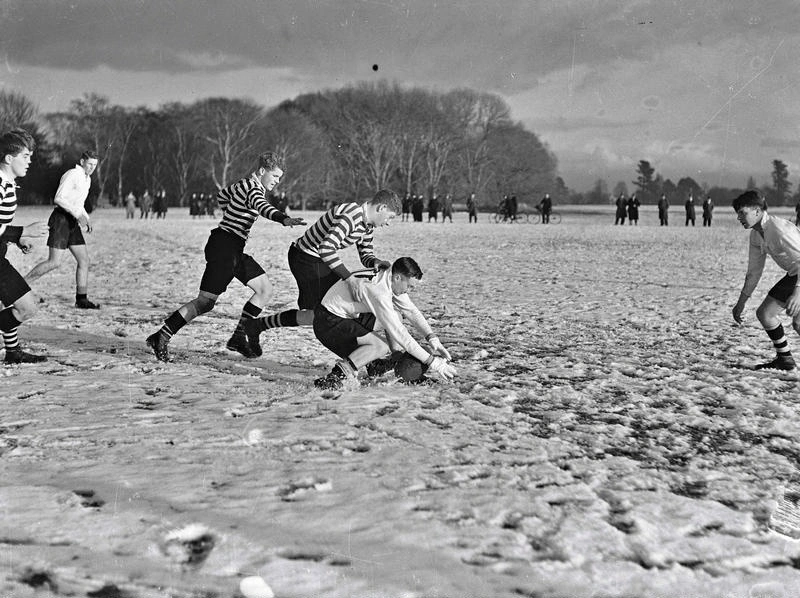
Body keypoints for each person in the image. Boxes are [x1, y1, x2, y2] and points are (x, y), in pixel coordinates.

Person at [145, 152, 306, 362]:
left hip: (229, 247)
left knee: (264, 289)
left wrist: (232, 213)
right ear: (262, 171)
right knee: (205, 302)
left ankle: (239, 336)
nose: (277, 182)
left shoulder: (241, 184)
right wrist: (283, 218)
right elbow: (263, 207)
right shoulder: (253, 189)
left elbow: (223, 196)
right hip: (225, 247)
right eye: (275, 176)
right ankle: (162, 336)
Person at [243, 189, 400, 356]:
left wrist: (375, 262)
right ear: (382, 208)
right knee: (327, 313)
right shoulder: (351, 215)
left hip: (319, 260)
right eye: (390, 217)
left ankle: (256, 326)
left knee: (319, 314)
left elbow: (366, 255)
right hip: (305, 258)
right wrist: (350, 279)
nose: (388, 222)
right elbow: (326, 249)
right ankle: (362, 357)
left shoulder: (367, 225)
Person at [312, 256, 456, 389]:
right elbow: (401, 334)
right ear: (398, 277)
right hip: (327, 323)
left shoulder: (388, 277)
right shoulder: (379, 293)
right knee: (380, 346)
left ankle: (385, 363)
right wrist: (434, 363)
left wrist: (432, 337)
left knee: (397, 316)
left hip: (342, 315)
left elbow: (411, 311)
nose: (408, 291)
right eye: (409, 286)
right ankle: (335, 377)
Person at [732, 190, 800, 371]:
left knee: (767, 314)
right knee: (794, 322)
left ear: (757, 210)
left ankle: (785, 359)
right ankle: (785, 360)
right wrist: (741, 303)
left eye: (742, 213)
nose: (739, 218)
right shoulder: (756, 235)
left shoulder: (778, 229)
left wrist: (797, 293)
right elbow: (754, 272)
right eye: (737, 214)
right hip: (795, 273)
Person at [26, 150, 101, 309]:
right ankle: (19, 287)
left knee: (84, 260)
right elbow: (59, 198)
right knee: (54, 262)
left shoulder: (87, 179)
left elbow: (79, 204)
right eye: (89, 164)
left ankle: (81, 299)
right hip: (60, 220)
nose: (92, 168)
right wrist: (76, 214)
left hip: (72, 222)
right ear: (82, 162)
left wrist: (86, 218)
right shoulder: (72, 174)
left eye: (94, 165)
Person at [0, 129, 49, 363]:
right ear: (9, 159)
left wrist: (16, 239)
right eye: (25, 156)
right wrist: (22, 231)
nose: (30, 162)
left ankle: (12, 352)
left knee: (13, 305)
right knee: (25, 308)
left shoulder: (9, 183)